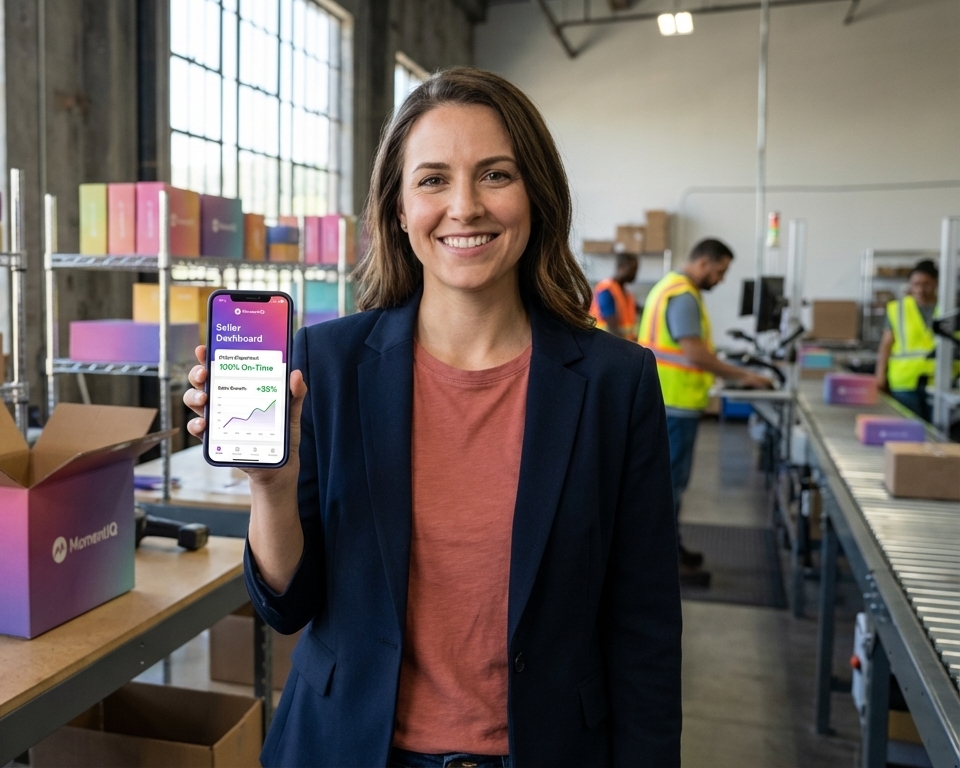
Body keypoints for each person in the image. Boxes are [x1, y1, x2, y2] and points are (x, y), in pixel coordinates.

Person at [184, 67, 680, 768]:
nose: (465, 206)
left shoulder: (614, 383)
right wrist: (271, 483)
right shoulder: (326, 363)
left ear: (536, 194)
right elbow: (287, 608)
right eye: (433, 179)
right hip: (347, 749)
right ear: (397, 209)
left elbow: (646, 628)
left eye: (496, 175)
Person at [638, 239, 773, 576]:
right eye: (720, 271)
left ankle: (668, 551)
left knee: (664, 486)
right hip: (675, 405)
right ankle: (661, 563)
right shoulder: (683, 295)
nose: (721, 279)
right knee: (668, 487)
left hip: (664, 401)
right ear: (703, 263)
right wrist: (744, 375)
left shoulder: (668, 287)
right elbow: (695, 354)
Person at [875, 259, 951, 420]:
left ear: (937, 283)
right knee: (909, 432)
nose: (920, 289)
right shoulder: (897, 308)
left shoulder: (949, 309)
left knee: (939, 434)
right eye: (915, 284)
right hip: (904, 382)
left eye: (926, 284)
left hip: (940, 381)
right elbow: (886, 344)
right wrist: (880, 375)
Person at [589, 252, 639, 339]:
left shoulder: (626, 293)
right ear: (621, 267)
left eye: (636, 270)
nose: (634, 274)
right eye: (632, 269)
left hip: (622, 345)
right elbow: (613, 330)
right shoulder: (607, 290)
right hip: (605, 344)